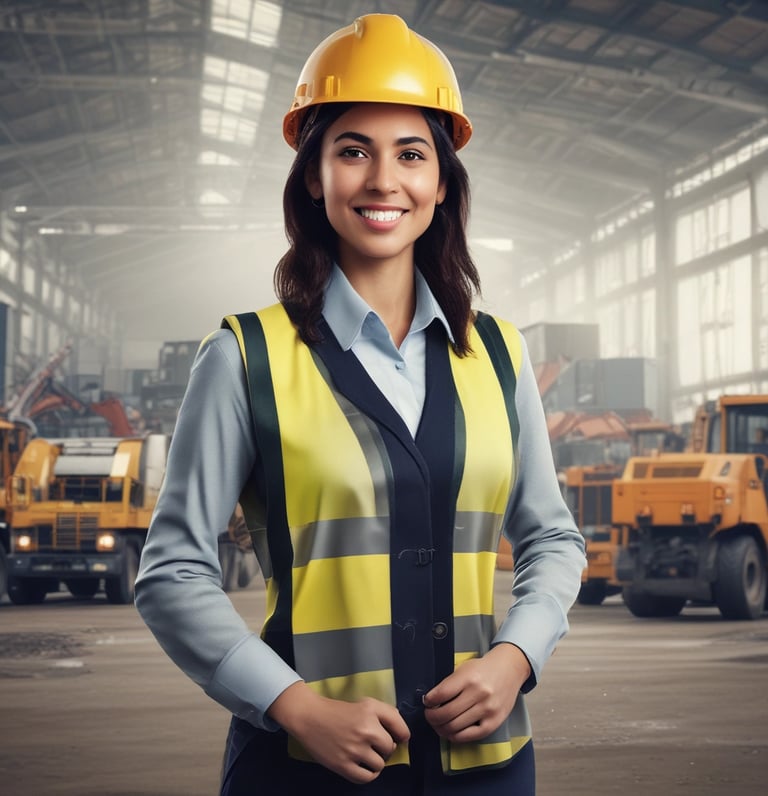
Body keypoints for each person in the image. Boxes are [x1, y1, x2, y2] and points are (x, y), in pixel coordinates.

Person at [135, 13, 586, 795]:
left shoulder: (500, 355)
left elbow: (551, 536)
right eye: (353, 151)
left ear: (441, 183)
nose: (384, 180)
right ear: (314, 176)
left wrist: (516, 660)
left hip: (485, 768)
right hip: (304, 768)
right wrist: (294, 706)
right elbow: (172, 571)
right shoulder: (244, 357)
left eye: (411, 154)